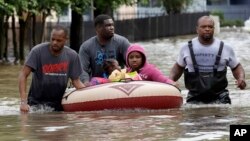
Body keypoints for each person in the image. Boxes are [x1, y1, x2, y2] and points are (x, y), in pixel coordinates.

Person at [169, 16, 246, 104]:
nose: (207, 29)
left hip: (220, 98)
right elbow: (178, 67)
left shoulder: (226, 48)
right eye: (204, 27)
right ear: (197, 29)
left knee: (223, 116)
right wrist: (170, 82)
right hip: (194, 98)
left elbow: (236, 67)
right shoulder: (186, 48)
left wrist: (241, 79)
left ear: (214, 29)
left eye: (210, 27)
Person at [18, 25, 85, 112]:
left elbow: (76, 81)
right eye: (52, 39)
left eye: (58, 40)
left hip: (59, 104)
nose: (54, 43)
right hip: (36, 104)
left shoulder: (72, 55)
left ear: (66, 40)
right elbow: (23, 75)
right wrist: (23, 102)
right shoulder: (37, 51)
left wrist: (89, 93)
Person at [79, 14, 130, 84]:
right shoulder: (86, 47)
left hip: (119, 82)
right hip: (97, 84)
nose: (112, 28)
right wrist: (85, 82)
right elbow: (82, 69)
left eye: (112, 25)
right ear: (98, 28)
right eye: (108, 25)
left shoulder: (122, 42)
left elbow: (131, 64)